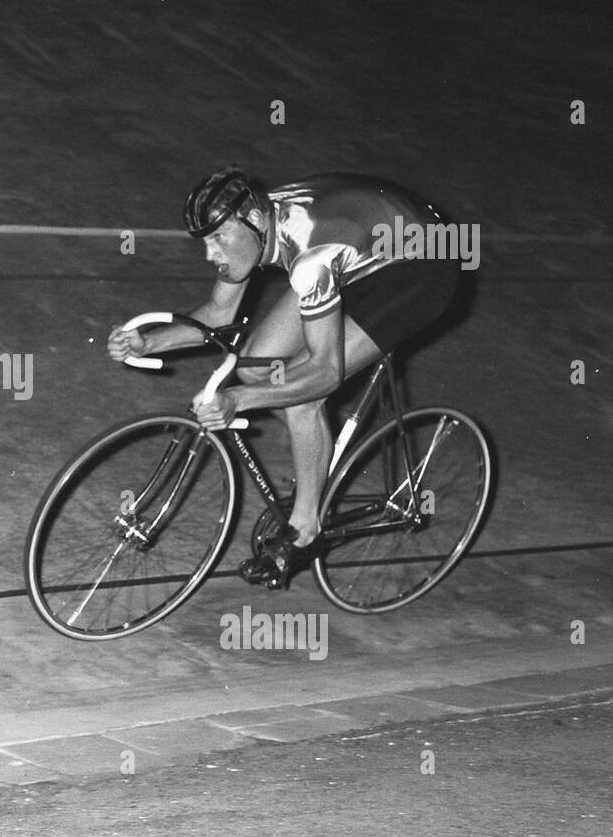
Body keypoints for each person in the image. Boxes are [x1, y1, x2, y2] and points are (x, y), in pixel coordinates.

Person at [108, 169, 461, 587]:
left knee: (300, 395)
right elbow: (219, 315)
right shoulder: (249, 216)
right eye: (204, 242)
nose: (210, 255)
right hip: (361, 242)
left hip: (422, 265)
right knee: (256, 366)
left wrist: (238, 401)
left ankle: (305, 531)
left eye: (218, 240)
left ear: (256, 223)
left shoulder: (310, 260)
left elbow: (325, 371)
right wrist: (148, 344)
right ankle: (313, 457)